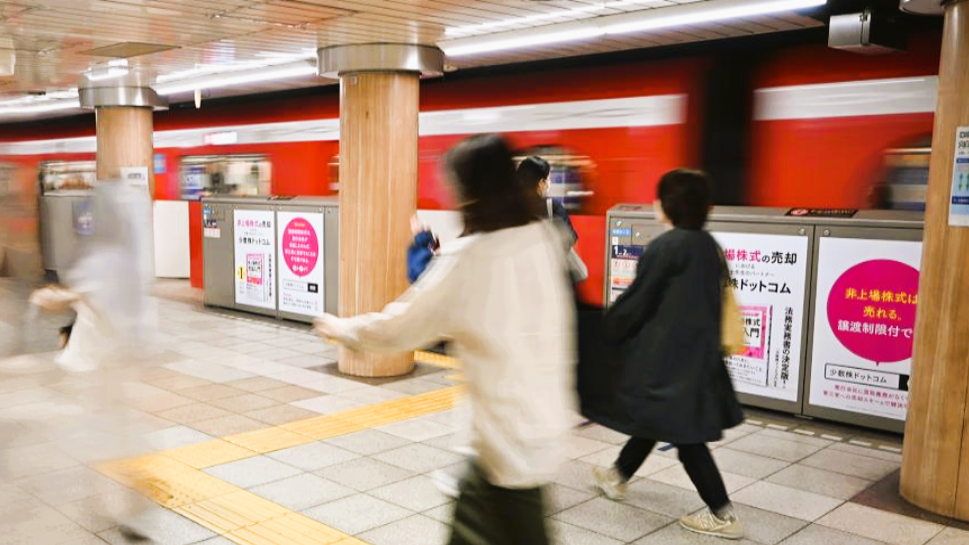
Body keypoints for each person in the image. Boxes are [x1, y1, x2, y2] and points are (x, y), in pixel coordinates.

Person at [315, 134, 575, 545]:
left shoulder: (471, 257)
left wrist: (342, 329)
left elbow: (402, 325)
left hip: (497, 451)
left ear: (469, 192)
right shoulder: (545, 240)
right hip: (543, 437)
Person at [591, 169, 745, 540]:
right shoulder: (708, 245)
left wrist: (604, 332)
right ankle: (617, 475)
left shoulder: (667, 246)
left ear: (670, 204)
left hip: (670, 361)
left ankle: (723, 514)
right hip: (698, 358)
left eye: (659, 197)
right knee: (655, 419)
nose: (654, 203)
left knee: (686, 438)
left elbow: (636, 303)